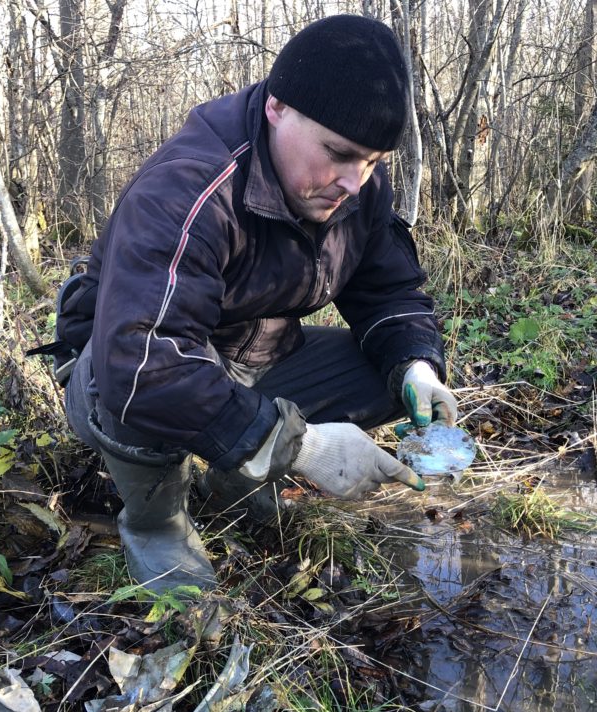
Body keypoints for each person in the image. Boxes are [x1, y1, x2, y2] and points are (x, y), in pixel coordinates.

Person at [64, 14, 458, 592]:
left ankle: (234, 477)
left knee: (392, 377)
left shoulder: (356, 184)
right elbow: (145, 361)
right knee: (133, 377)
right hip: (122, 374)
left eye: (372, 161)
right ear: (277, 107)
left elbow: (388, 289)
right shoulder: (189, 188)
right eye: (339, 152)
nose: (354, 181)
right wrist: (304, 447)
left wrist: (416, 364)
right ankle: (157, 524)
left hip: (253, 359)